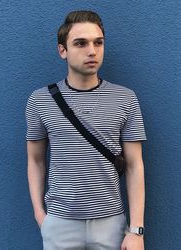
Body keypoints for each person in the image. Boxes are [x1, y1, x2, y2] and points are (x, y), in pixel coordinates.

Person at [26, 10, 147, 250]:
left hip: (111, 222)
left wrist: (137, 230)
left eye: (98, 42)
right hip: (60, 222)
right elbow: (35, 161)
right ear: (63, 50)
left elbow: (135, 165)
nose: (92, 51)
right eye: (80, 43)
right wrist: (41, 217)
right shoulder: (39, 101)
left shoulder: (126, 99)